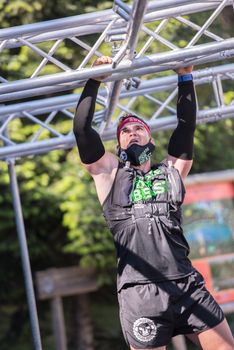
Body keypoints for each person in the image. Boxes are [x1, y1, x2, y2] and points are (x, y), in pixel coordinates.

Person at [73, 56, 234, 350]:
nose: (132, 132)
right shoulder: (109, 173)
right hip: (140, 290)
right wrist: (95, 80)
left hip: (186, 284)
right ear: (118, 146)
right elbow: (83, 131)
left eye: (138, 128)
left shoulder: (172, 170)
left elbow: (186, 127)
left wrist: (185, 77)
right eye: (125, 131)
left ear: (150, 139)